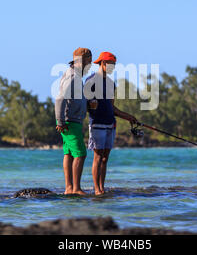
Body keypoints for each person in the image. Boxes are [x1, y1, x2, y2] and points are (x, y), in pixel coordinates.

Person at [85, 51, 138, 195]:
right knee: (97, 157)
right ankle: (97, 190)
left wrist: (128, 117)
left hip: (110, 124)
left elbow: (112, 107)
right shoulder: (90, 81)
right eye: (111, 64)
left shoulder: (110, 83)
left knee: (105, 158)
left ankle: (102, 187)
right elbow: (85, 103)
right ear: (103, 64)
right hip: (97, 124)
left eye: (114, 65)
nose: (113, 67)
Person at [55, 47, 92, 195]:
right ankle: (75, 189)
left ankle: (69, 188)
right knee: (80, 154)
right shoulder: (73, 77)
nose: (89, 65)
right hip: (70, 121)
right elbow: (60, 99)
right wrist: (60, 121)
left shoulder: (76, 76)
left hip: (71, 120)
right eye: (89, 61)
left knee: (69, 154)